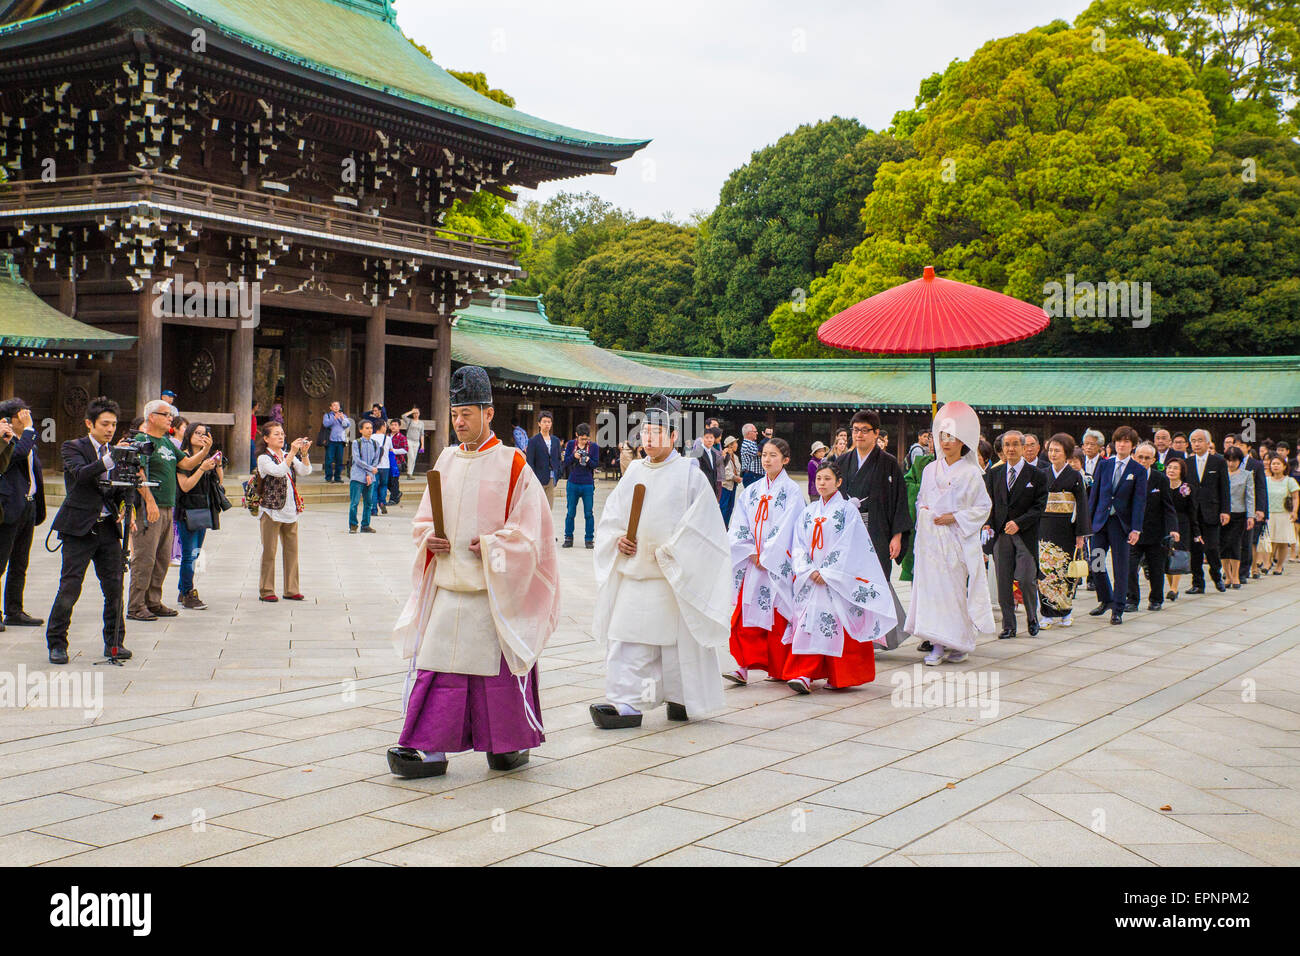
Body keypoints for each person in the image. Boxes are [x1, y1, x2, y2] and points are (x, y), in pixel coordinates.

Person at [389, 366, 559, 777]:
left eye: (467, 413)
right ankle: (429, 747)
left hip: (492, 591)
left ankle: (508, 745)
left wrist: (491, 546)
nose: (459, 422)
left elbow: (533, 531)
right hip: (449, 584)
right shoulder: (445, 459)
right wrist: (429, 537)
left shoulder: (514, 463)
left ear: (488, 413)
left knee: (494, 674)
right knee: (438, 666)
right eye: (454, 414)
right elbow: (423, 519)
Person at [590, 393, 731, 729]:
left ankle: (680, 699)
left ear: (673, 437)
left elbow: (705, 527)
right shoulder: (634, 471)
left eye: (656, 433)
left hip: (672, 576)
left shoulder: (689, 475)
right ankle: (627, 703)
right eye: (645, 432)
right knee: (627, 639)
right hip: (635, 571)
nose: (649, 439)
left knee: (675, 647)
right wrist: (617, 540)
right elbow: (613, 518)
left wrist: (674, 553)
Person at [780, 459, 898, 692]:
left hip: (837, 580)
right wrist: (808, 569)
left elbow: (851, 545)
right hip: (811, 578)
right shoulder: (809, 511)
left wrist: (828, 572)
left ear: (839, 482)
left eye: (827, 479)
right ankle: (803, 674)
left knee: (837, 622)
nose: (822, 484)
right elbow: (799, 544)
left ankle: (839, 676)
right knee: (808, 624)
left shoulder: (848, 511)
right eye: (819, 479)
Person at [44, 397, 132, 664]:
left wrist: (127, 499)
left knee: (115, 587)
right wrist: (110, 459)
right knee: (70, 587)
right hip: (78, 528)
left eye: (114, 424)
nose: (110, 429)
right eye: (105, 424)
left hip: (106, 528)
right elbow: (81, 475)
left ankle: (114, 643)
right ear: (89, 424)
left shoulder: (115, 450)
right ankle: (57, 643)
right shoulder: (73, 447)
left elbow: (116, 488)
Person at [906, 401, 994, 664]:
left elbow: (983, 506)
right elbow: (922, 497)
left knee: (953, 592)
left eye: (952, 437)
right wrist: (924, 509)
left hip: (955, 539)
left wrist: (954, 517)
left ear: (962, 442)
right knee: (931, 591)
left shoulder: (971, 472)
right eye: (942, 436)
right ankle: (937, 644)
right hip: (930, 540)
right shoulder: (931, 468)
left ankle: (958, 641)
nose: (946, 442)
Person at [724, 438, 801, 686]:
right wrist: (751, 551)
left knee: (778, 616)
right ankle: (742, 665)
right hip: (753, 560)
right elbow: (739, 522)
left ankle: (780, 667)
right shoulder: (752, 491)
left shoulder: (793, 492)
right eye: (764, 455)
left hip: (777, 565)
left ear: (786, 460)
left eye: (774, 455)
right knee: (745, 614)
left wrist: (768, 555)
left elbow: (790, 527)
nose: (767, 460)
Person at [835, 409, 912, 582]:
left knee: (875, 583)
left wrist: (897, 536)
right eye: (855, 430)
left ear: (876, 433)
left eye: (864, 430)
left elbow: (899, 501)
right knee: (846, 581)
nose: (859, 434)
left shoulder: (889, 463)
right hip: (847, 531)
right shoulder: (841, 462)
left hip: (877, 531)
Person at [985, 431, 1048, 638]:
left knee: (1026, 579)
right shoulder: (994, 474)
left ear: (1023, 448)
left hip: (1025, 535)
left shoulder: (1036, 475)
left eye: (1015, 445)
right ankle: (1009, 625)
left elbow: (1039, 507)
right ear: (1002, 448)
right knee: (1003, 581)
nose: (1010, 449)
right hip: (1001, 534)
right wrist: (987, 524)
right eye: (1007, 445)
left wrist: (1019, 523)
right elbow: (988, 504)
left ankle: (1032, 617)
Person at [126, 400, 181, 622]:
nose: (170, 418)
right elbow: (137, 472)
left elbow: (184, 464)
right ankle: (136, 606)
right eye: (165, 414)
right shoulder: (141, 440)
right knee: (144, 558)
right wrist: (149, 500)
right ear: (151, 417)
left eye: (171, 415)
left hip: (168, 507)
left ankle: (153, 601)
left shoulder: (167, 443)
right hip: (150, 508)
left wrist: (206, 451)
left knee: (161, 558)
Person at [1086, 426, 1147, 625]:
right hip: (1100, 522)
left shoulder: (1137, 470)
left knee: (1121, 567)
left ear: (1133, 446)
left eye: (1127, 442)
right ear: (1114, 443)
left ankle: (1118, 609)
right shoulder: (1104, 465)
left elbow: (1139, 501)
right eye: (1119, 441)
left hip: (1121, 524)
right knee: (1096, 563)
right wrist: (1088, 521)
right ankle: (1106, 598)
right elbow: (1095, 494)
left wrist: (1136, 528)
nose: (1122, 444)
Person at [1037, 433, 1089, 628]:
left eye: (1057, 450)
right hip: (1045, 526)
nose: (1052, 454)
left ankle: (1066, 611)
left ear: (1066, 453)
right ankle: (1047, 614)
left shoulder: (1075, 476)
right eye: (1050, 450)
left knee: (1065, 571)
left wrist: (1080, 534)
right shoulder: (1042, 474)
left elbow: (1082, 506)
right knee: (1045, 571)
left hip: (1067, 527)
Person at [0, 399, 44, 628]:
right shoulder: (4, 442)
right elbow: (17, 455)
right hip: (8, 507)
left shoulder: (28, 441)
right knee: (1, 562)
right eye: (22, 415)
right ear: (9, 420)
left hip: (27, 505)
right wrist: (28, 429)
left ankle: (14, 610)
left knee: (20, 563)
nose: (27, 418)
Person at [256, 423, 311, 601]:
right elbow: (279, 472)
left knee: (292, 552)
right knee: (269, 552)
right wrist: (293, 454)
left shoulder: (288, 455)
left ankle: (291, 589)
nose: (281, 437)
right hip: (271, 510)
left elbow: (305, 471)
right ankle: (266, 590)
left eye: (282, 434)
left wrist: (303, 453)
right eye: (276, 434)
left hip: (290, 509)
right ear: (266, 439)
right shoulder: (264, 458)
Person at [175, 423, 224, 610]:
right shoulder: (184, 458)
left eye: (205, 434)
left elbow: (219, 482)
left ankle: (183, 589)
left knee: (195, 554)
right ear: (188, 434)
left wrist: (216, 465)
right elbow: (185, 486)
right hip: (187, 510)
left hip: (203, 509)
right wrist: (201, 468)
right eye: (197, 433)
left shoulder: (205, 457)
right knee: (189, 554)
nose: (201, 436)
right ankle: (188, 592)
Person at [1125, 442, 1177, 611]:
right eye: (1140, 457)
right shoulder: (1127, 476)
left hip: (1155, 532)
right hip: (1132, 532)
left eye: (1147, 458)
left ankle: (1156, 599)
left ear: (1154, 460)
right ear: (1133, 457)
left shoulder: (1160, 478)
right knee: (1130, 567)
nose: (1143, 460)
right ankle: (1132, 599)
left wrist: (1173, 529)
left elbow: (1169, 507)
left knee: (1156, 568)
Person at [1185, 428, 1230, 594]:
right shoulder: (1187, 463)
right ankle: (1197, 583)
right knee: (1195, 549)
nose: (1196, 444)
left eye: (1200, 440)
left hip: (1212, 510)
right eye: (1194, 441)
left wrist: (1225, 510)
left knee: (1212, 547)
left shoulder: (1218, 461)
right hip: (1193, 513)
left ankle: (1216, 575)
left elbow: (1225, 488)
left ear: (1208, 443)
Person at [899, 437, 935, 584]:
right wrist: (923, 490)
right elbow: (907, 482)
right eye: (932, 438)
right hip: (922, 521)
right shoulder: (921, 462)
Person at [1162, 457, 1197, 602]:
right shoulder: (1161, 485)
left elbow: (1192, 510)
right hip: (1164, 523)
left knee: (1178, 554)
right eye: (1169, 467)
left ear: (1182, 471)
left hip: (1182, 524)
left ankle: (1174, 588)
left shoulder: (1187, 488)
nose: (1171, 470)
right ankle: (1172, 587)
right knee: (1167, 555)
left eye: (1175, 468)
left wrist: (1196, 531)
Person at [1220, 446, 1254, 588]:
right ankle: (1227, 575)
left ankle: (1236, 576)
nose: (1231, 463)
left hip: (1239, 514)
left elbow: (1250, 497)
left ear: (1240, 460)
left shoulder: (1246, 475)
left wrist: (1250, 516)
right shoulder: (1221, 474)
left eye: (1234, 460)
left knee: (1235, 544)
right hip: (1222, 513)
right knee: (1223, 545)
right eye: (1228, 460)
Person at [562, 423, 600, 549]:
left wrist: (588, 460)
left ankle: (589, 539)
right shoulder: (571, 445)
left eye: (586, 439)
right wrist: (574, 456)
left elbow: (595, 464)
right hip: (573, 482)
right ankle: (568, 538)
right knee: (570, 512)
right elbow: (565, 462)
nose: (584, 441)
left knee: (588, 513)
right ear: (576, 435)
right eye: (582, 438)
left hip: (588, 483)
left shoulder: (593, 447)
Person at [1262, 454, 1299, 573]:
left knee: (1282, 541)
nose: (1275, 466)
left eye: (1278, 464)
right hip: (1269, 514)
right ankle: (1267, 563)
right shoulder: (1266, 480)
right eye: (1273, 464)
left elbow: (1295, 497)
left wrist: (1294, 511)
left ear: (1284, 466)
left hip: (1284, 514)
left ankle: (1279, 566)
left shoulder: (1290, 481)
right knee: (1268, 540)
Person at [349, 420, 381, 533]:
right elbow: (358, 460)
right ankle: (353, 525)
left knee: (368, 503)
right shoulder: (356, 443)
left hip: (370, 477)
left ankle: (365, 525)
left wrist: (369, 473)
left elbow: (375, 461)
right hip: (357, 477)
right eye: (366, 428)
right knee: (354, 503)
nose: (369, 430)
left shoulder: (376, 444)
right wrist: (370, 470)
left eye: (371, 428)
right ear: (361, 430)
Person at [526, 411, 562, 510]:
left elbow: (558, 459)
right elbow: (530, 461)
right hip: (538, 478)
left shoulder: (555, 440)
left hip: (551, 478)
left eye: (549, 422)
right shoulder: (533, 441)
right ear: (539, 423)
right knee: (537, 507)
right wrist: (532, 478)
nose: (547, 424)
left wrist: (558, 473)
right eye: (544, 421)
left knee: (549, 508)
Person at [322, 402, 351, 484]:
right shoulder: (327, 415)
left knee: (339, 460)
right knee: (329, 460)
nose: (336, 407)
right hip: (331, 441)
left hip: (340, 441)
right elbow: (326, 424)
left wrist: (342, 418)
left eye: (337, 405)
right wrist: (334, 418)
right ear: (330, 407)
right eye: (334, 405)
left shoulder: (343, 415)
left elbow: (347, 425)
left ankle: (337, 477)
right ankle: (328, 477)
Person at [372, 418, 394, 515]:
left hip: (374, 466)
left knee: (374, 487)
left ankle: (373, 509)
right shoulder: (388, 439)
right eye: (385, 426)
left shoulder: (371, 437)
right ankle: (382, 502)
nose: (386, 428)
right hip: (385, 466)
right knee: (383, 485)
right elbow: (391, 450)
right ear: (381, 427)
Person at [694, 426, 721, 499]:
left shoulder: (713, 453)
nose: (709, 440)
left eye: (711, 438)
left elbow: (714, 472)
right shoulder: (697, 452)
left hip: (712, 490)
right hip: (702, 489)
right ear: (702, 439)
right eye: (707, 437)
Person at [720, 436, 741, 526]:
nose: (737, 445)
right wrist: (735, 477)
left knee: (730, 507)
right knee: (723, 507)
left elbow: (738, 468)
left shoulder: (735, 457)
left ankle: (726, 526)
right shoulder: (724, 456)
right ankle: (720, 526)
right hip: (725, 485)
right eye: (735, 443)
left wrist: (737, 477)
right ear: (731, 445)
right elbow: (725, 471)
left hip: (733, 485)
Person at [387, 420, 408, 506]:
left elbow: (405, 450)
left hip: (397, 462)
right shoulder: (387, 436)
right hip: (387, 462)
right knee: (387, 481)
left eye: (395, 425)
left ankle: (393, 499)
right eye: (392, 425)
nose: (393, 426)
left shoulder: (402, 437)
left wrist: (393, 451)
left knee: (394, 480)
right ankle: (397, 493)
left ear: (399, 427)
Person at [401, 407, 425, 477]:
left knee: (414, 458)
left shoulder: (421, 423)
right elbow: (403, 416)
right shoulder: (409, 421)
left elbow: (422, 434)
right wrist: (411, 411)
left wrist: (422, 445)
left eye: (417, 413)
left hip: (417, 442)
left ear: (419, 413)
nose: (416, 414)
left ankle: (410, 473)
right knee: (411, 456)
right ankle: (409, 472)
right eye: (414, 413)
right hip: (409, 440)